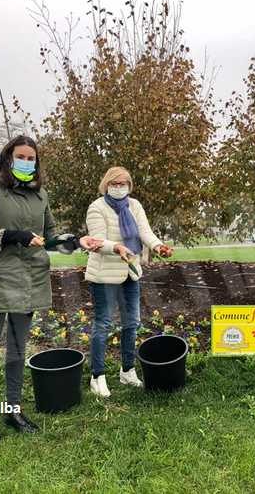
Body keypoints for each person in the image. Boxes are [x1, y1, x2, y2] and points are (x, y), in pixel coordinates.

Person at [0, 135, 102, 445]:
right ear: (7, 158)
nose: (27, 161)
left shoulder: (41, 196)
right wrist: (12, 235)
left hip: (29, 281)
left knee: (17, 349)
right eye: (21, 156)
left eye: (32, 157)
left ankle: (13, 410)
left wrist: (77, 241)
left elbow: (49, 237)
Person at [85, 166, 173, 397]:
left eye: (123, 183)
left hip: (130, 272)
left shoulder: (134, 206)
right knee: (103, 323)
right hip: (104, 274)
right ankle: (97, 376)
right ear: (106, 185)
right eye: (114, 183)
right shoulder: (97, 207)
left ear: (129, 186)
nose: (119, 187)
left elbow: (145, 231)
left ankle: (127, 370)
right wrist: (116, 247)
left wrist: (157, 246)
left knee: (131, 323)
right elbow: (96, 241)